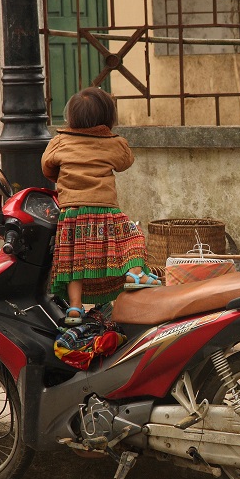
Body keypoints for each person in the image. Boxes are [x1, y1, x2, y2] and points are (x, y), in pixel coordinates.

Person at [42, 87, 161, 326]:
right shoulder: (114, 143)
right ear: (108, 118)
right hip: (104, 210)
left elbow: (47, 167)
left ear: (71, 117)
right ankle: (134, 274)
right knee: (132, 236)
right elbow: (125, 162)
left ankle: (75, 308)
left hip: (71, 213)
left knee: (74, 262)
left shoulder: (59, 142)